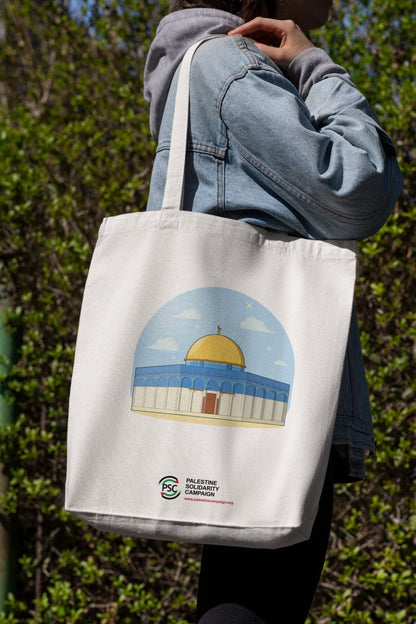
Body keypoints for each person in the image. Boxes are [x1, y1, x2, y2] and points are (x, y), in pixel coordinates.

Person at [143, 1, 403, 622]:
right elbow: (358, 187)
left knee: (243, 591)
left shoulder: (205, 66)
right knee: (252, 598)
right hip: (274, 405)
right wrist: (316, 65)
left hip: (246, 393)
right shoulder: (229, 68)